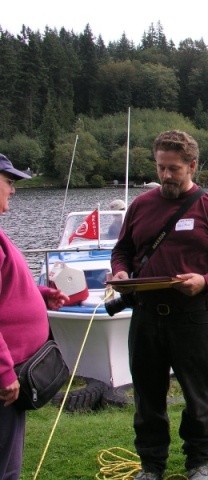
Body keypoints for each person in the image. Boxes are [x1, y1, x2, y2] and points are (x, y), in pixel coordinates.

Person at [110, 131, 208, 480]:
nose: (166, 175)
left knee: (198, 397)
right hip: (146, 318)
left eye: (174, 169)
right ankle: (151, 466)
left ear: (192, 166)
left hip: (193, 319)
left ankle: (198, 462)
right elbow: (122, 250)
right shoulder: (141, 205)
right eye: (161, 168)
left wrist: (205, 281)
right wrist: (121, 271)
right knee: (147, 396)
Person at [0, 154, 69, 480]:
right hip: (6, 378)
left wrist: (41, 294)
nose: (13, 191)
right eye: (9, 182)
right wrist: (3, 374)